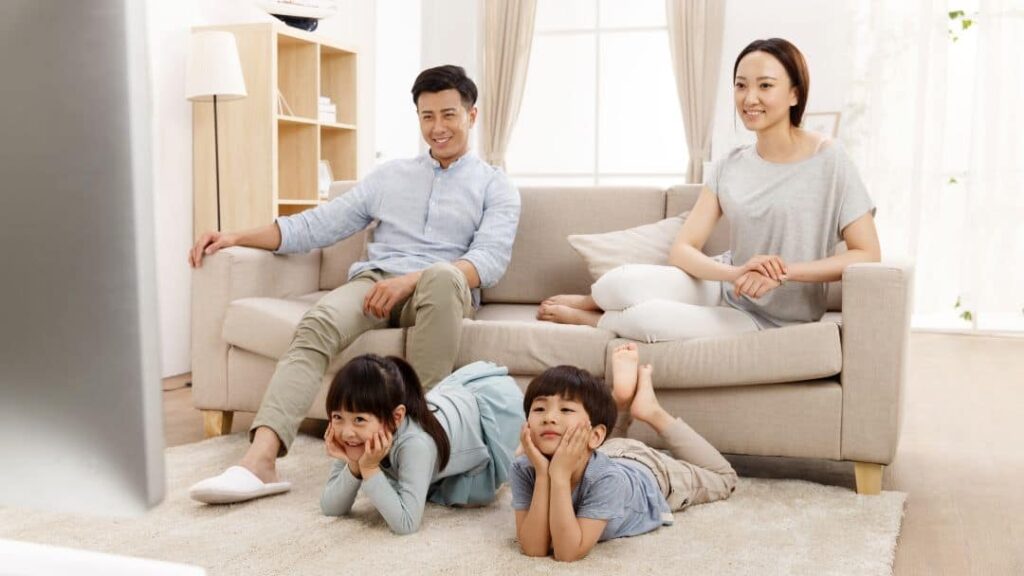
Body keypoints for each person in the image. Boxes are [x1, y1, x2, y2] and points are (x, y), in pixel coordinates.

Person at [188, 65, 521, 504]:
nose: (437, 128)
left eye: (448, 115)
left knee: (441, 277)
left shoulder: (496, 187)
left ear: (472, 116)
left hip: (441, 288)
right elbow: (317, 225)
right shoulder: (390, 177)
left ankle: (413, 452)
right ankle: (261, 460)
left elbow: (488, 262)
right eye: (427, 117)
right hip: (375, 284)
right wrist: (235, 235)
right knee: (317, 323)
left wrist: (410, 282)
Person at [537, 38, 880, 342]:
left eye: (765, 86)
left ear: (794, 93)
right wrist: (736, 273)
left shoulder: (830, 160)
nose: (750, 98)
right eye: (741, 85)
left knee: (646, 319)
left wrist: (783, 272)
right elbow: (683, 250)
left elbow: (866, 252)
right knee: (617, 283)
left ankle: (591, 318)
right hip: (724, 284)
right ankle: (597, 301)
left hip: (771, 318)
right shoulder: (730, 164)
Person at [511, 343, 737, 561]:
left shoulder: (608, 480)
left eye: (566, 409)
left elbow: (567, 552)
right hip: (605, 449)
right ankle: (620, 400)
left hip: (651, 471)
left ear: (595, 436)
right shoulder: (525, 467)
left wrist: (558, 476)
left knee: (725, 477)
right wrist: (543, 474)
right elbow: (533, 548)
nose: (549, 417)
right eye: (539, 408)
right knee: (603, 443)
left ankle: (651, 411)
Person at [320, 354, 524, 535]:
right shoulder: (355, 437)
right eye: (337, 417)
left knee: (465, 499)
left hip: (490, 411)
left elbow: (406, 524)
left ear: (396, 417)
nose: (346, 432)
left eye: (359, 420)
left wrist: (369, 468)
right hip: (448, 404)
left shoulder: (416, 444)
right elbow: (331, 507)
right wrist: (354, 465)